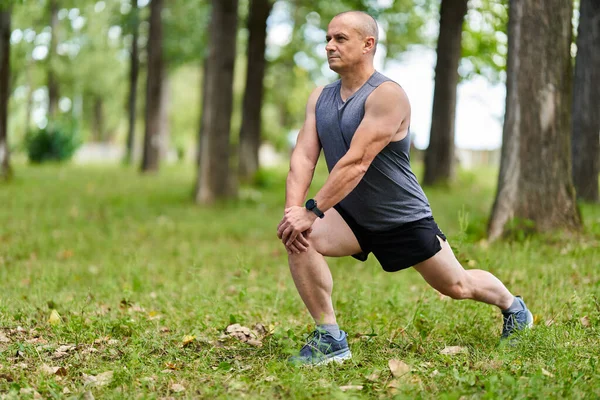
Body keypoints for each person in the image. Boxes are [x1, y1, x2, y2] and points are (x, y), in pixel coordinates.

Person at [276, 11, 532, 366]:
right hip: (349, 214)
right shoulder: (320, 98)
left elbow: (357, 161)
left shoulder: (387, 96)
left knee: (456, 286)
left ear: (368, 45)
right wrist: (294, 215)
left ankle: (513, 306)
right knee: (299, 240)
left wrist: (311, 210)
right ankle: (329, 336)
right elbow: (302, 158)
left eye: (340, 39)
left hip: (402, 216)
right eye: (327, 39)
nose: (329, 46)